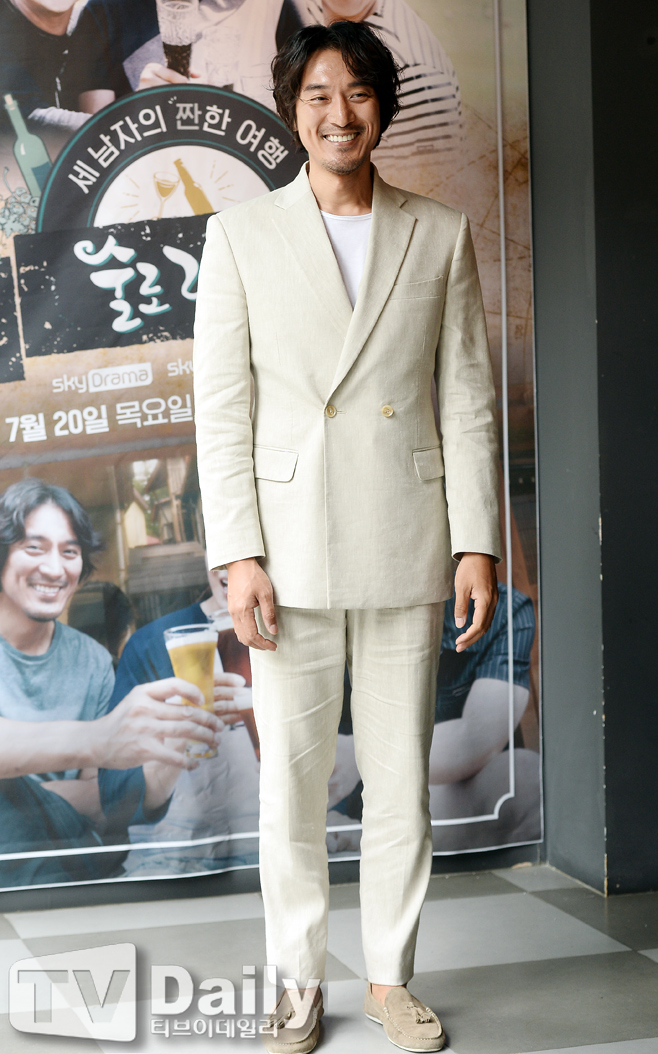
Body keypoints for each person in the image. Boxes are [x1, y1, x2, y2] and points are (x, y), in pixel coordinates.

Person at [193, 20, 500, 1053]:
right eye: (319, 93)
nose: (339, 113)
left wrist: (476, 541)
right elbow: (222, 410)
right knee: (292, 784)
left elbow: (467, 398)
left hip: (407, 536)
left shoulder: (438, 231)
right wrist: (238, 554)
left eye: (358, 92)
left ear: (382, 107)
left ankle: (388, 979)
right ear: (293, 109)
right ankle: (296, 984)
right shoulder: (240, 235)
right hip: (285, 552)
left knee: (399, 780)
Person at [0, 478, 222, 888]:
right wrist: (99, 739)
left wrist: (167, 750)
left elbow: (104, 803)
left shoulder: (93, 662)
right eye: (34, 547)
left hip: (69, 858)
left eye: (70, 552)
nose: (54, 568)